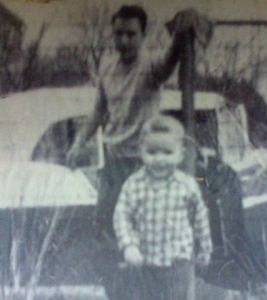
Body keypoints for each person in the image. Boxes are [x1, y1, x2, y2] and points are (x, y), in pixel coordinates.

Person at [66, 5, 213, 235]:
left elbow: (169, 60)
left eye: (131, 34)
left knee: (145, 232)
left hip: (143, 164)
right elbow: (98, 113)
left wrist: (179, 34)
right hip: (113, 162)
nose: (124, 40)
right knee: (105, 228)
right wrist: (78, 143)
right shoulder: (107, 69)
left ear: (143, 35)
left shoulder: (151, 66)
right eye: (119, 33)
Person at [113, 115, 212, 300]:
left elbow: (200, 218)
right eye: (152, 152)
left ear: (181, 154)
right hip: (145, 262)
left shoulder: (186, 185)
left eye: (167, 152)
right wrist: (128, 245)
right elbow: (122, 215)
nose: (159, 159)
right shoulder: (134, 184)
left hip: (178, 263)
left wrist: (205, 249)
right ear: (140, 151)